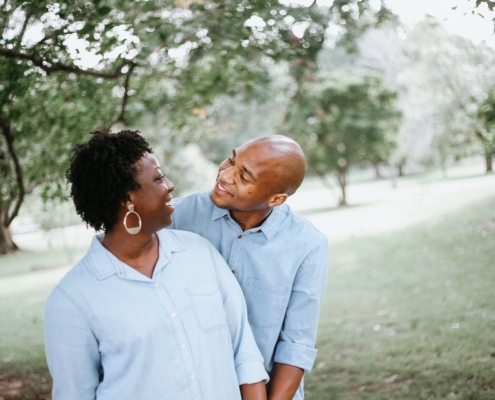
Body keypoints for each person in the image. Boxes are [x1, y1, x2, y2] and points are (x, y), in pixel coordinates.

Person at [44, 130, 268, 400]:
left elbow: (245, 356)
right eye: (159, 178)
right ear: (128, 200)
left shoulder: (200, 253)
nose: (170, 185)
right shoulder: (72, 300)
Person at [170, 135, 329, 400]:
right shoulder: (176, 219)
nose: (226, 175)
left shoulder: (308, 246)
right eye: (232, 160)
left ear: (276, 199)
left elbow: (296, 345)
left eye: (244, 178)